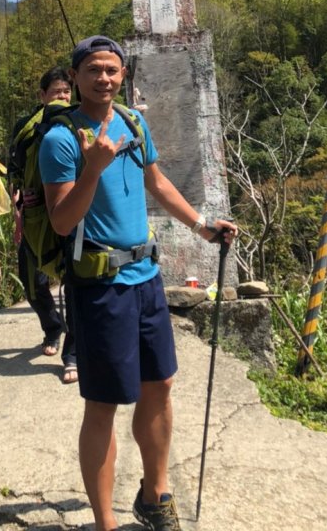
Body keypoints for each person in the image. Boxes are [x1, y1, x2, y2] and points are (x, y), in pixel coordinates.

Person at [39, 35, 237, 531]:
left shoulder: (132, 121)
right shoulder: (61, 139)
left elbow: (157, 182)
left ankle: (154, 495)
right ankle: (106, 523)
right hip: (100, 285)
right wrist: (93, 168)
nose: (103, 78)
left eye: (111, 70)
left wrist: (201, 225)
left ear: (122, 75)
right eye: (93, 70)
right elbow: (62, 221)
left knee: (160, 385)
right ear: (76, 78)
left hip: (146, 275)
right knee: (103, 403)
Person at [9, 66, 77, 383]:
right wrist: (19, 204)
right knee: (32, 280)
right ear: (42, 96)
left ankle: (73, 353)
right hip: (37, 216)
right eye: (56, 92)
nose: (62, 97)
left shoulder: (80, 121)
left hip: (74, 210)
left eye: (66, 92)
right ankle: (53, 328)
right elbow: (16, 170)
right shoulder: (26, 128)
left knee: (75, 281)